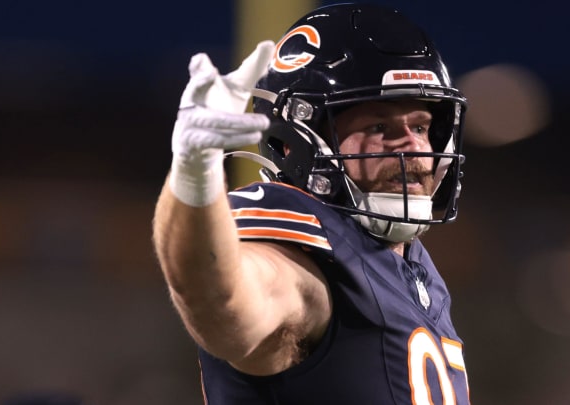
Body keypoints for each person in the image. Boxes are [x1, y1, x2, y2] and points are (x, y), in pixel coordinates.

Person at [153, 3, 470, 404]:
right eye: (379, 127)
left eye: (421, 127)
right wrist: (193, 176)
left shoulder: (413, 269)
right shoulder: (304, 255)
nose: (414, 149)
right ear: (297, 141)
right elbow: (224, 300)